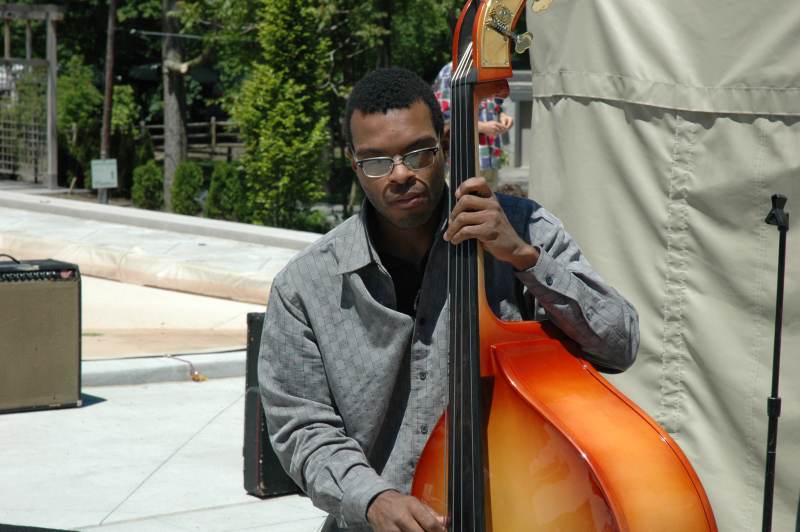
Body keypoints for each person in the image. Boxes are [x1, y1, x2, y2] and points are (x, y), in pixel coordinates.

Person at [258, 67, 639, 532]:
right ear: (352, 162)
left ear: (444, 140)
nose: (400, 175)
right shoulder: (303, 286)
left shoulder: (524, 227)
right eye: (376, 161)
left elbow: (619, 343)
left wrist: (523, 258)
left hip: (522, 514)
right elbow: (302, 429)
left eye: (418, 153)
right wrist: (372, 498)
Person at [433, 61, 514, 189]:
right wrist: (481, 127)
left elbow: (497, 105)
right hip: (462, 161)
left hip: (490, 159)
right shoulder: (451, 70)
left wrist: (503, 116)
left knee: (488, 205)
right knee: (458, 204)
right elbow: (442, 119)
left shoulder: (491, 67)